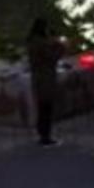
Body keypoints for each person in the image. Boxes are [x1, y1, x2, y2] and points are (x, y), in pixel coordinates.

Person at [25, 18, 62, 147]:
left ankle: (42, 133)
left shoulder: (32, 42)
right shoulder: (41, 43)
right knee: (46, 108)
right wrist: (59, 46)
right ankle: (45, 136)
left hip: (37, 77)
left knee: (42, 108)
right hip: (46, 78)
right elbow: (52, 58)